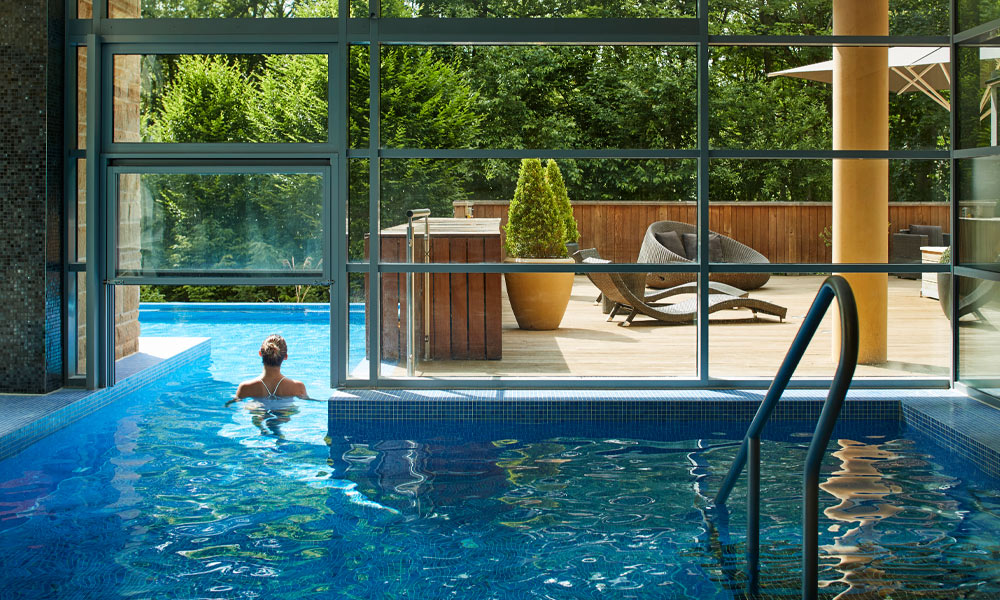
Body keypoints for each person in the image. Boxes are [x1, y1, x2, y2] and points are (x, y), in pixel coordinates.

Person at [229, 334, 308, 403]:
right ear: (285, 357)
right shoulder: (298, 387)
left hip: (258, 410)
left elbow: (230, 405)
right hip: (284, 411)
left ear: (260, 354)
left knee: (252, 406)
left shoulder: (245, 387)